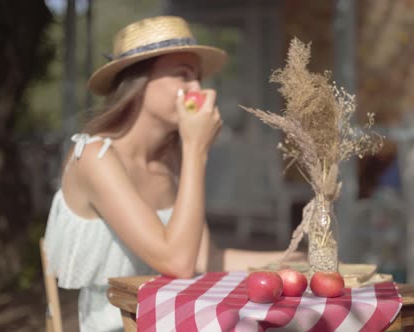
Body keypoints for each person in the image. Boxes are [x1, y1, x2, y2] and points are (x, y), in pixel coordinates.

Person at [42, 16, 301, 331]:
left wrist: (290, 260)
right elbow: (178, 264)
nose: (199, 90)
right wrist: (196, 150)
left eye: (198, 79)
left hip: (174, 320)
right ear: (139, 82)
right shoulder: (95, 157)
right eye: (183, 76)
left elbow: (206, 258)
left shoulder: (170, 161)